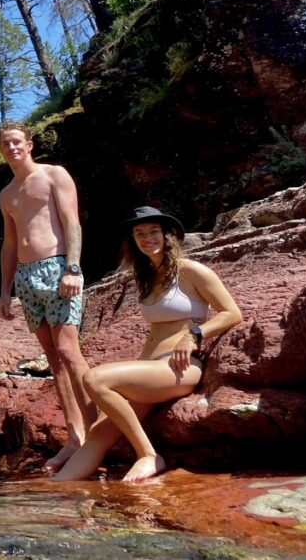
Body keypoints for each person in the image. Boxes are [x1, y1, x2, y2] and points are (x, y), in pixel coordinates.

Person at [54, 206, 243, 483]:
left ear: (168, 236)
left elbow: (232, 313)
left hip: (179, 367)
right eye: (139, 234)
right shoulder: (147, 277)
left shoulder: (191, 271)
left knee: (94, 378)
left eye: (154, 231)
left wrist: (194, 335)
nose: (147, 238)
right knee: (98, 434)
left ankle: (148, 455)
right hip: (151, 370)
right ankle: (57, 494)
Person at [0, 120, 93, 474]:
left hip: (57, 269)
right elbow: (8, 244)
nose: (12, 148)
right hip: (25, 277)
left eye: (17, 142)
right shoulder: (7, 194)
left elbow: (71, 222)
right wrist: (5, 292)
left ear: (30, 144)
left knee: (69, 350)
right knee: (53, 357)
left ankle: (98, 430)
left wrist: (74, 268)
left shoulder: (54, 175)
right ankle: (74, 438)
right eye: (6, 144)